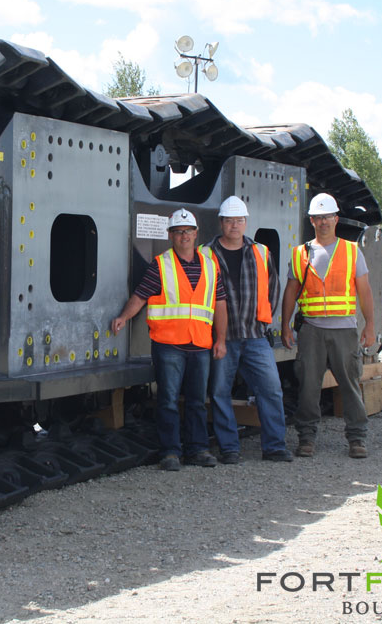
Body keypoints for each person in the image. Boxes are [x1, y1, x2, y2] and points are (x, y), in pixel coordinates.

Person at [111, 208, 227, 471]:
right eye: (178, 232)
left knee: (197, 401)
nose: (184, 236)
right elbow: (141, 295)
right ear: (170, 236)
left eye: (188, 231)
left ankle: (198, 450)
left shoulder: (211, 266)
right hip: (169, 344)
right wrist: (124, 317)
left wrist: (221, 339)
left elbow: (220, 304)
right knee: (168, 400)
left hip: (200, 344)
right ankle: (171, 453)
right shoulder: (161, 264)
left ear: (196, 234)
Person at [280, 193, 376, 459]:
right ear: (311, 221)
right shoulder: (300, 253)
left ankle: (357, 438)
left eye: (328, 217)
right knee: (308, 387)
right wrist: (285, 325)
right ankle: (306, 438)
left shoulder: (351, 251)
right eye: (318, 217)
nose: (323, 222)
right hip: (311, 330)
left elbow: (365, 291)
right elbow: (291, 292)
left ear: (336, 219)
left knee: (350, 385)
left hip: (344, 330)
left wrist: (370, 325)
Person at [205, 196, 293, 464]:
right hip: (222, 338)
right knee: (220, 393)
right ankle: (229, 449)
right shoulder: (205, 254)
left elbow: (273, 289)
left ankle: (275, 447)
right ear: (221, 222)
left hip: (255, 336)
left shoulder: (261, 252)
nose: (234, 225)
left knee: (271, 390)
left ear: (246, 222)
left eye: (239, 220)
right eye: (229, 220)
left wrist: (264, 322)